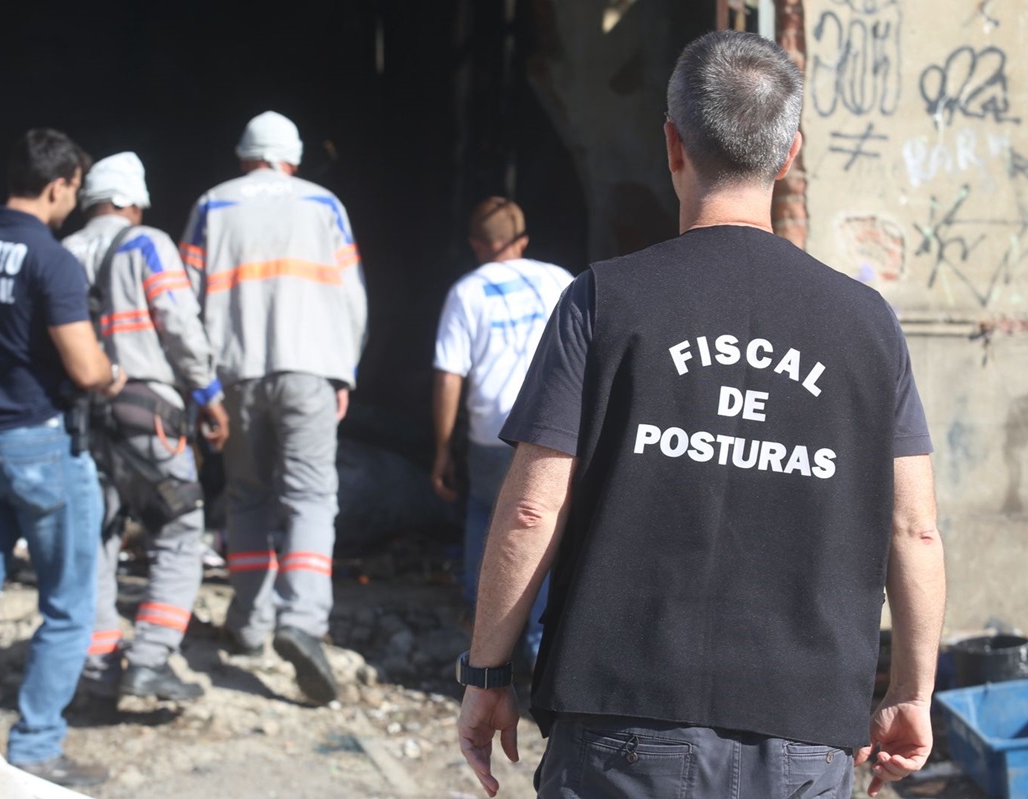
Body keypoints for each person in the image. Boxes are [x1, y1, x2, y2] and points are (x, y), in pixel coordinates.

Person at [455, 31, 945, 799]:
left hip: (617, 726)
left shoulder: (603, 300)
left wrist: (487, 671)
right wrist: (911, 692)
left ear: (673, 144)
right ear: (789, 156)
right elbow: (914, 528)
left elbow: (528, 508)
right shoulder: (868, 326)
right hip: (804, 738)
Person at [0, 128, 125, 787]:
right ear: (59, 183)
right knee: (67, 604)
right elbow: (86, 367)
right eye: (74, 188)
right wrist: (111, 374)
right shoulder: (51, 259)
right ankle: (35, 749)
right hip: (41, 446)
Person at [180, 111, 368, 705]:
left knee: (247, 496)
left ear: (244, 157)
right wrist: (345, 370)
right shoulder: (323, 204)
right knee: (310, 497)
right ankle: (302, 620)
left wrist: (200, 384)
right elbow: (352, 296)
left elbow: (185, 299)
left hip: (236, 374)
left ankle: (250, 625)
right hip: (311, 369)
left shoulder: (214, 204)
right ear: (293, 157)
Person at [62, 152, 230, 701]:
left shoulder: (62, 252)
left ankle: (98, 663)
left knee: (97, 535)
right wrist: (207, 392)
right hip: (148, 413)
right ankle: (151, 657)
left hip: (84, 419)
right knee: (180, 531)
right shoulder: (147, 243)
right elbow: (179, 323)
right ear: (132, 201)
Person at [431, 197, 572, 665]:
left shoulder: (467, 291)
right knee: (548, 535)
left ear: (476, 244)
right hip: (557, 431)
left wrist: (442, 449)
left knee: (488, 524)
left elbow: (449, 374)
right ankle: (539, 651)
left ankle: (489, 647)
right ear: (523, 240)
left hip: (494, 433)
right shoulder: (561, 280)